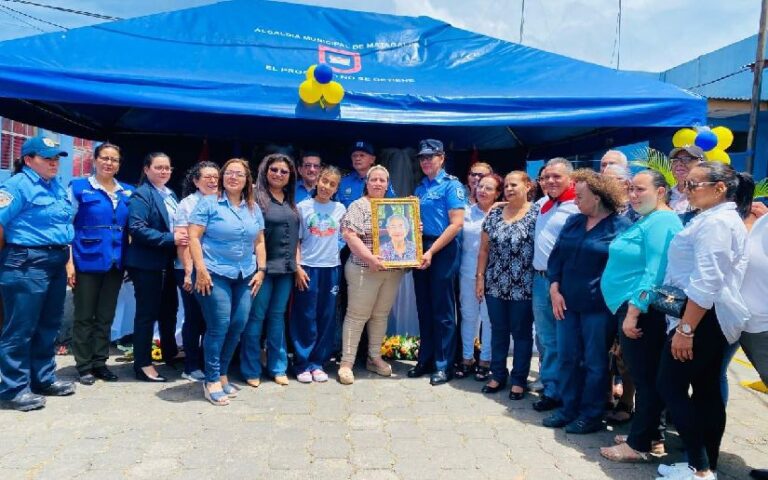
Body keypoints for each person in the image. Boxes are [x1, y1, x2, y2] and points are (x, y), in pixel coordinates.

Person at [656, 162, 752, 480]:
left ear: (719, 188)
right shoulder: (713, 218)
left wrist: (686, 329)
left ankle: (698, 468)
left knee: (670, 385)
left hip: (702, 317)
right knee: (707, 388)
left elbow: (707, 280)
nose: (686, 190)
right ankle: (704, 464)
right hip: (706, 316)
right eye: (686, 185)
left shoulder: (718, 223)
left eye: (693, 185)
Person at [598, 170, 683, 462]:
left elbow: (655, 272)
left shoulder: (662, 221)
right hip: (633, 306)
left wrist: (633, 313)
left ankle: (639, 444)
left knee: (645, 379)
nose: (633, 195)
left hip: (641, 310)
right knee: (645, 377)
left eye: (640, 189)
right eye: (631, 189)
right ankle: (648, 435)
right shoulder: (649, 219)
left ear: (661, 192)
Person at [542, 169, 630, 434]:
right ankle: (568, 408)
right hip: (566, 304)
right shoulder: (573, 222)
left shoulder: (620, 227)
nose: (575, 200)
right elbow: (556, 257)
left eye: (580, 196)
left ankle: (591, 414)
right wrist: (554, 288)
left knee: (594, 362)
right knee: (568, 358)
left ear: (598, 197)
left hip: (598, 308)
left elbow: (624, 269)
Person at [0, 135, 75, 411]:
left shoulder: (54, 186)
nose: (54, 163)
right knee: (20, 327)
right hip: (26, 261)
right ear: (29, 160)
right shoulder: (17, 186)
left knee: (48, 324)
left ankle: (42, 378)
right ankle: (13, 388)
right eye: (47, 158)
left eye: (56, 159)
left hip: (55, 259)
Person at [188, 158, 266, 406]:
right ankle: (210, 380)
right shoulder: (208, 203)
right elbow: (193, 236)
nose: (234, 177)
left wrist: (261, 270)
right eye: (229, 173)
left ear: (247, 181)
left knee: (238, 323)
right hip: (213, 273)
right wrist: (200, 269)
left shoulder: (253, 207)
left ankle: (222, 373)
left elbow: (260, 241)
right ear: (222, 176)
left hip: (244, 274)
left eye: (239, 174)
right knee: (219, 324)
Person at [68, 142, 134, 386]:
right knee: (84, 315)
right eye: (104, 158)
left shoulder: (127, 191)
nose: (109, 163)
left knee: (106, 315)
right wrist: (69, 264)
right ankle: (83, 365)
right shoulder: (78, 187)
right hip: (86, 259)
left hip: (116, 262)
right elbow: (67, 226)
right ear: (94, 160)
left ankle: (99, 362)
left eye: (114, 160)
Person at [337, 165, 403, 384]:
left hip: (390, 271)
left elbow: (404, 232)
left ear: (387, 184)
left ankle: (374, 358)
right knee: (357, 315)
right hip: (363, 268)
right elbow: (350, 234)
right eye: (373, 179)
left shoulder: (395, 207)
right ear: (366, 182)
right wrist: (370, 258)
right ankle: (346, 363)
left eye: (382, 180)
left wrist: (414, 228)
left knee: (380, 315)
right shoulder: (358, 206)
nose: (377, 183)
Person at [475, 172, 537, 399]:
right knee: (498, 331)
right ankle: (498, 374)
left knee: (521, 334)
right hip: (494, 285)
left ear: (527, 186)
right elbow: (484, 249)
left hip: (524, 286)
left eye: (514, 185)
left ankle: (519, 379)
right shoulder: (494, 213)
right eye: (507, 185)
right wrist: (480, 277)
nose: (509, 189)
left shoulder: (537, 213)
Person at [409, 139, 465, 385]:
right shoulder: (419, 188)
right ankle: (426, 359)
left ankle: (444, 365)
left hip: (441, 249)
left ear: (442, 158)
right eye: (422, 158)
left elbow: (457, 224)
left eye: (430, 157)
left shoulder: (451, 186)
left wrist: (431, 251)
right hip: (420, 248)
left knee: (442, 310)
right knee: (424, 307)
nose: (426, 161)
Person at [124, 152, 185, 382]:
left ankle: (170, 351)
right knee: (147, 314)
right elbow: (137, 228)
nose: (164, 172)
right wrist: (171, 239)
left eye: (167, 168)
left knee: (169, 310)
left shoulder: (170, 194)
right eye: (158, 167)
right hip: (147, 263)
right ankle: (143, 363)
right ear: (147, 169)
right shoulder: (142, 195)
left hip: (167, 262)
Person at [240, 153, 299, 387]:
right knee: (255, 319)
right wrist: (259, 267)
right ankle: (251, 368)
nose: (279, 174)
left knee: (277, 319)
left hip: (285, 270)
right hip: (261, 270)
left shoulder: (290, 199)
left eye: (284, 171)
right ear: (265, 171)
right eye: (274, 170)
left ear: (290, 176)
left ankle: (277, 367)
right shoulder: (254, 199)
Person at [530, 158, 579, 411]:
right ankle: (551, 389)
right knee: (547, 338)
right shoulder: (542, 204)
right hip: (539, 280)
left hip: (564, 284)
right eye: (546, 177)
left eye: (556, 177)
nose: (550, 181)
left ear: (570, 179)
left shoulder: (579, 205)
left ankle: (568, 392)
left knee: (566, 339)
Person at [290, 166, 346, 383]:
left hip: (331, 268)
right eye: (324, 181)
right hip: (308, 267)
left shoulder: (340, 209)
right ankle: (302, 362)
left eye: (332, 184)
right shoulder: (303, 207)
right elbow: (296, 240)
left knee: (326, 315)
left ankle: (318, 363)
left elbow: (347, 235)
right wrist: (297, 266)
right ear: (318, 181)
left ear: (336, 188)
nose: (326, 187)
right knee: (305, 315)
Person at [173, 161, 219, 382]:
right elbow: (183, 241)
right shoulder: (188, 204)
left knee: (212, 319)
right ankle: (191, 366)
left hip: (217, 270)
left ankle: (208, 362)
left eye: (215, 177)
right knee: (194, 318)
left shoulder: (223, 201)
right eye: (207, 177)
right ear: (195, 181)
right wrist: (189, 272)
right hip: (191, 269)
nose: (212, 181)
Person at [455, 173, 502, 379]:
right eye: (480, 186)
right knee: (468, 317)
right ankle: (467, 358)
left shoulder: (502, 213)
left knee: (488, 319)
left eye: (489, 188)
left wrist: (500, 205)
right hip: (467, 272)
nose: (482, 191)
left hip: (492, 275)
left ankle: (485, 359)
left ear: (497, 193)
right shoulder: (466, 212)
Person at [337, 141, 395, 208]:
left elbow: (392, 204)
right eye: (354, 156)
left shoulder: (381, 180)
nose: (357, 158)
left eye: (362, 155)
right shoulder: (343, 181)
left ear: (372, 159)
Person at [668, 145, 706, 214]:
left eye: (687, 159)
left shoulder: (708, 195)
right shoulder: (665, 195)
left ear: (701, 164)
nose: (679, 163)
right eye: (675, 160)